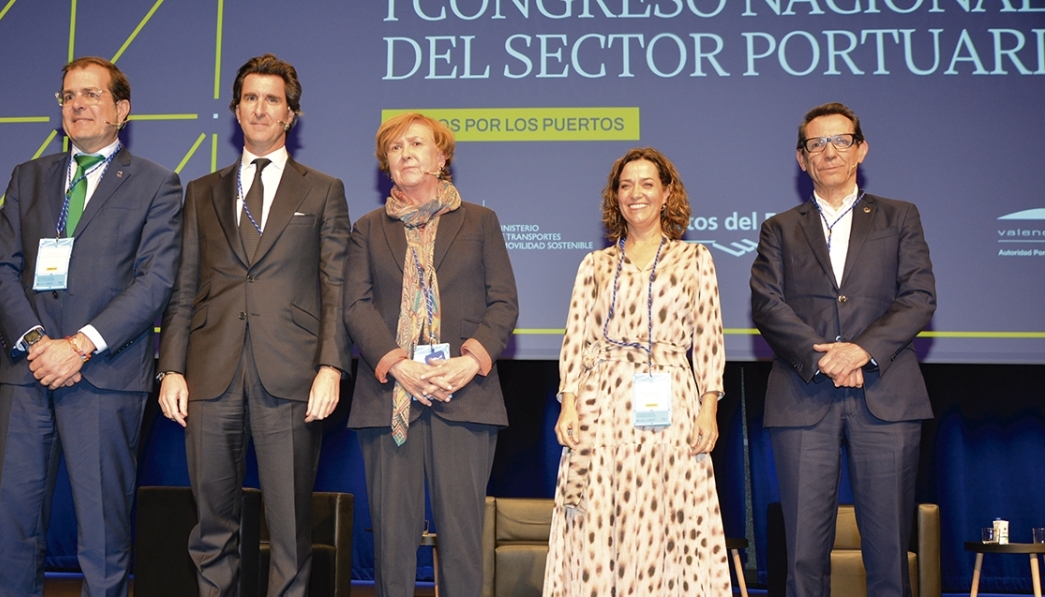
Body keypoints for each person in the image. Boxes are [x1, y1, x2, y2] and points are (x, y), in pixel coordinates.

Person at [0, 56, 182, 597]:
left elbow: (156, 280)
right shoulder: (28, 177)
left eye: (92, 94)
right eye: (68, 96)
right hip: (28, 373)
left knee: (102, 533)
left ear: (122, 109)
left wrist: (78, 346)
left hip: (103, 375)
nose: (77, 105)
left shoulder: (156, 184)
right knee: (15, 526)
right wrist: (37, 344)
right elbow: (0, 270)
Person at [157, 54, 351, 597]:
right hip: (210, 373)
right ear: (236, 110)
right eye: (250, 98)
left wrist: (331, 366)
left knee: (289, 529)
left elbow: (335, 285)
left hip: (290, 373)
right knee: (211, 528)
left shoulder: (323, 190)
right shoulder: (201, 191)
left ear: (291, 114)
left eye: (272, 100)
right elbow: (183, 287)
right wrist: (171, 368)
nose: (260, 109)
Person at [750, 102, 936, 597]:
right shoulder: (779, 228)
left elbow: (918, 297)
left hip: (886, 395)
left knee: (890, 555)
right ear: (802, 158)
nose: (829, 151)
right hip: (803, 395)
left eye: (840, 140)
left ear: (861, 150)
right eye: (816, 144)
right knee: (803, 559)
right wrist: (824, 359)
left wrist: (861, 351)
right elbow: (767, 305)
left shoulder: (900, 216)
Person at [344, 112, 518, 597]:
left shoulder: (480, 221)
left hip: (465, 395)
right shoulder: (367, 228)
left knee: (462, 540)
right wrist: (399, 364)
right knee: (392, 542)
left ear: (441, 157)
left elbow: (504, 303)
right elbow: (355, 306)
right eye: (395, 148)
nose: (406, 154)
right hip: (390, 398)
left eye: (417, 144)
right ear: (386, 163)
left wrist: (469, 361)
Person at [543, 147, 731, 595]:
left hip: (672, 400)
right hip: (602, 404)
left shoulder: (695, 258)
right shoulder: (594, 264)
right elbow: (575, 338)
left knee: (667, 514)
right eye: (625, 185)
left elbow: (709, 337)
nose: (636, 193)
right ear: (615, 197)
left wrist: (709, 408)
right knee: (601, 513)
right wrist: (568, 403)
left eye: (647, 184)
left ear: (667, 194)